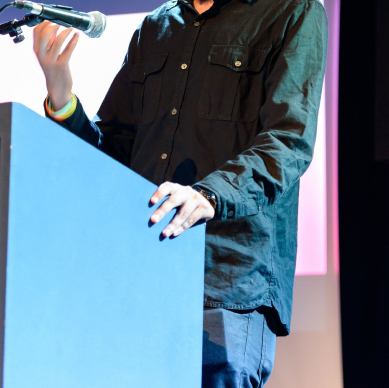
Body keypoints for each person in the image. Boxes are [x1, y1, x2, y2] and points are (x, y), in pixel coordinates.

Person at [32, 0, 328, 386]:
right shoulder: (155, 28)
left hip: (226, 281)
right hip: (140, 280)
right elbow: (114, 157)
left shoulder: (292, 10)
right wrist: (62, 98)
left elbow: (288, 142)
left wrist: (209, 195)